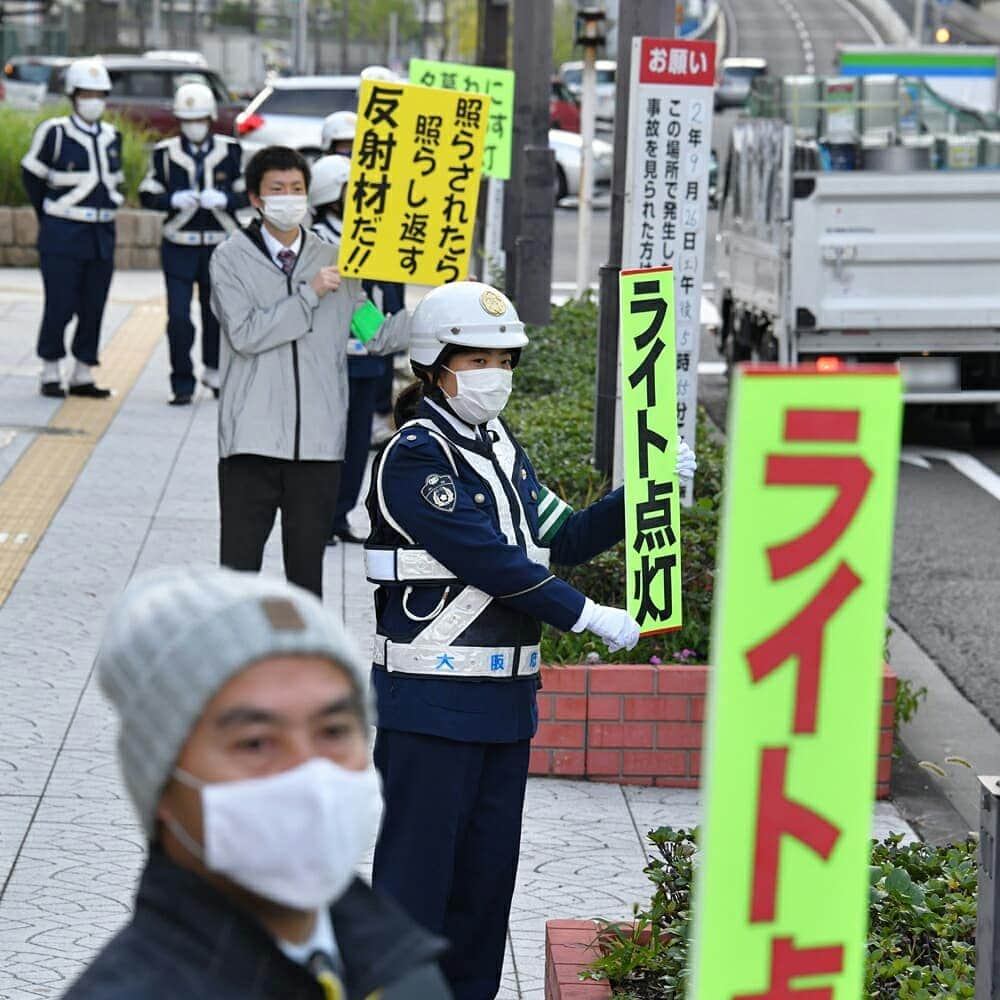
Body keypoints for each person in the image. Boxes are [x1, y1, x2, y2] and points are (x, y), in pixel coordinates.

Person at [364, 282, 696, 1000]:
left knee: (483, 898)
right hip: (431, 705)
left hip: (505, 706)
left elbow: (563, 536)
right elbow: (493, 562)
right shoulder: (416, 459)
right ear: (436, 364)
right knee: (415, 892)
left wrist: (644, 494)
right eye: (479, 358)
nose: (496, 375)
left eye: (505, 359)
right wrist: (588, 615)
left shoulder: (498, 448)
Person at [63, 565, 453, 1000]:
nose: (310, 774)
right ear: (161, 785)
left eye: (334, 731)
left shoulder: (397, 965)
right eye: (255, 743)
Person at [209, 145, 410, 599]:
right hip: (250, 444)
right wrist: (309, 295)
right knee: (237, 574)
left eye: (296, 189)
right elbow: (244, 334)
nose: (288, 198)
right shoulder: (229, 259)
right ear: (256, 199)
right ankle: (234, 664)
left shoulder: (334, 256)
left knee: (306, 578)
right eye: (276, 189)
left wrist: (445, 308)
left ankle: (301, 664)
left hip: (318, 446)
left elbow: (375, 334)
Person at [307, 155, 399, 545]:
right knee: (328, 437)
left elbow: (389, 291)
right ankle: (318, 516)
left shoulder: (375, 233)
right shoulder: (313, 237)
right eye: (351, 190)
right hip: (328, 355)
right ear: (331, 193)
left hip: (368, 353)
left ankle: (341, 514)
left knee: (358, 440)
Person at [20, 57, 123, 399]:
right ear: (74, 95)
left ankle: (82, 372)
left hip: (101, 234)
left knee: (94, 304)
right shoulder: (55, 132)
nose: (93, 99)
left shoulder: (112, 136)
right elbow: (32, 177)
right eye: (86, 93)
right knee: (60, 303)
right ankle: (50, 369)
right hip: (63, 233)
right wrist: (50, 217)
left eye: (99, 93)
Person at [139, 82, 247, 405]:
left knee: (216, 313)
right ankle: (181, 381)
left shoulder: (231, 151)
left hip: (221, 245)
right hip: (178, 244)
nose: (193, 126)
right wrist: (172, 199)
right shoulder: (164, 153)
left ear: (210, 117)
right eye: (187, 120)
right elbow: (147, 194)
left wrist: (224, 199)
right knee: (178, 316)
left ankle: (214, 370)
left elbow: (247, 195)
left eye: (199, 118)